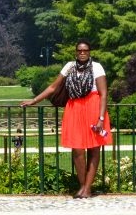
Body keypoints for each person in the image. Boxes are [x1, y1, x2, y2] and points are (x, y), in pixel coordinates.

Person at [21, 39, 112, 198]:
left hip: (93, 107)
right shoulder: (69, 67)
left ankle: (87, 188)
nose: (82, 53)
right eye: (79, 50)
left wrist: (101, 118)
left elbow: (104, 94)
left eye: (85, 50)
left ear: (89, 52)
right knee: (77, 149)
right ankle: (83, 185)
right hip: (75, 108)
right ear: (76, 52)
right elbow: (53, 87)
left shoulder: (96, 67)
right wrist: (34, 101)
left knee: (94, 148)